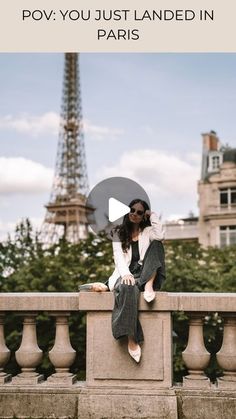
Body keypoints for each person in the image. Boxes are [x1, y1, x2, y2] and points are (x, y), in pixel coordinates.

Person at [85, 199, 165, 363]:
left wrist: (153, 215)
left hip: (146, 274)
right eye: (132, 210)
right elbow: (118, 258)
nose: (135, 214)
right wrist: (126, 274)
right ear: (127, 212)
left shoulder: (148, 231)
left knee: (157, 245)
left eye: (140, 212)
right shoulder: (117, 233)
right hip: (127, 273)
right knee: (128, 288)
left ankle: (149, 285)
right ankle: (132, 338)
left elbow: (161, 236)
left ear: (144, 216)